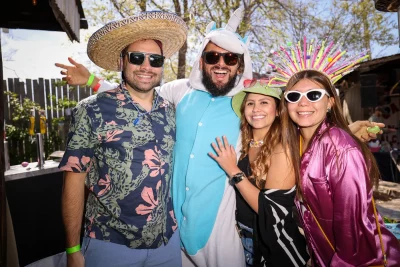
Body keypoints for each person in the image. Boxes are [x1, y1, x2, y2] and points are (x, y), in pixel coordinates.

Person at [55, 11, 384, 265]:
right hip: (169, 232)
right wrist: (94, 82)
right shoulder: (179, 91)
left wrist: (343, 131)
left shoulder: (249, 101)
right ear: (202, 60)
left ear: (240, 64)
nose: (221, 64)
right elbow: (135, 96)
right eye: (213, 57)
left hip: (217, 226)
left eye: (230, 58)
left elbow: (291, 122)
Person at [58, 11, 188, 267]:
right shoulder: (92, 110)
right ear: (122, 62)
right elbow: (73, 181)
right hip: (110, 245)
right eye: (137, 57)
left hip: (167, 245)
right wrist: (72, 249)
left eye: (155, 60)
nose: (146, 66)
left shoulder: (171, 111)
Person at [273, 37, 400, 266]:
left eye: (313, 95)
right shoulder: (299, 144)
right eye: (294, 96)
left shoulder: (342, 149)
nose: (303, 103)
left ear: (330, 102)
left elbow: (355, 231)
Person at [208, 80, 309, 266]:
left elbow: (270, 211)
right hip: (241, 239)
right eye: (250, 103)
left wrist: (233, 171)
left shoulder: (283, 149)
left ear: (278, 110)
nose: (256, 109)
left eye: (264, 102)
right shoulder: (242, 144)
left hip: (275, 246)